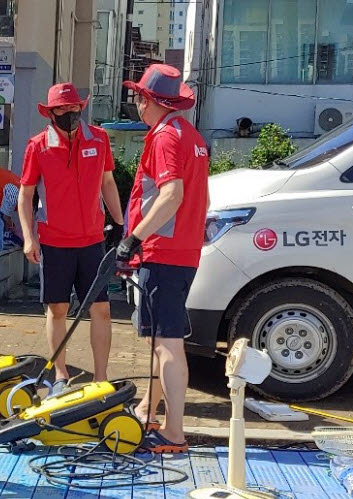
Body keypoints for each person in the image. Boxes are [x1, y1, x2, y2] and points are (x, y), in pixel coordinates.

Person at [116, 64, 210, 454]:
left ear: (151, 100)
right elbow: (201, 199)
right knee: (159, 339)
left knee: (167, 342)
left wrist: (134, 238)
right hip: (181, 250)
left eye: (139, 97)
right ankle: (148, 407)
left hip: (163, 251)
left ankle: (173, 431)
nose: (136, 104)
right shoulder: (190, 136)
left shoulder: (165, 139)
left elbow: (171, 194)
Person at [17, 83, 125, 396]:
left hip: (92, 240)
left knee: (101, 309)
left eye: (74, 107)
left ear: (81, 107)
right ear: (51, 113)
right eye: (62, 109)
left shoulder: (100, 139)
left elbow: (107, 183)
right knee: (58, 309)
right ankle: (61, 375)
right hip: (54, 241)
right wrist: (29, 238)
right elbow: (25, 195)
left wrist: (119, 224)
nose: (70, 113)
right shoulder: (38, 146)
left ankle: (101, 377)